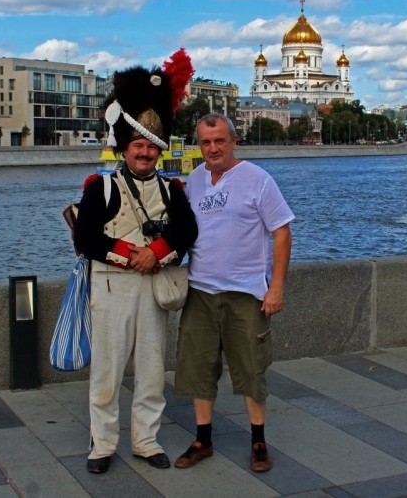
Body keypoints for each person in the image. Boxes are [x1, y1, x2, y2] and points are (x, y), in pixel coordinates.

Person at [74, 53, 197, 475]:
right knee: (106, 373)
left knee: (150, 372)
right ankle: (102, 444)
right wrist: (132, 254)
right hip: (111, 289)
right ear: (125, 147)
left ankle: (146, 440)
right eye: (138, 146)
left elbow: (186, 231)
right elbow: (86, 237)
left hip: (154, 289)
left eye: (151, 147)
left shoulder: (171, 190)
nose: (145, 153)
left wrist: (157, 251)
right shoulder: (101, 188)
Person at [173, 113, 294, 473]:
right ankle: (203, 440)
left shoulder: (258, 179)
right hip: (200, 291)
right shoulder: (193, 180)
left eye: (220, 140)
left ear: (234, 141)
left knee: (252, 369)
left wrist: (276, 287)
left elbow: (282, 233)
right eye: (206, 142)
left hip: (246, 293)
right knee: (198, 368)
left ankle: (258, 441)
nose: (213, 148)